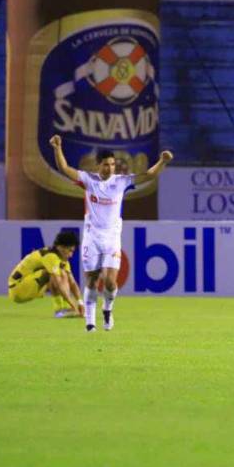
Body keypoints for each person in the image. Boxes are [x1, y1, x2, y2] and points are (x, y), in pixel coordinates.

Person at [50, 135, 173, 332]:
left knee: (109, 282)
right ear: (98, 165)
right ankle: (90, 323)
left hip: (112, 238)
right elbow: (64, 169)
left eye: (113, 164)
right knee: (92, 279)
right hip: (92, 237)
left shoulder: (122, 182)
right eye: (106, 164)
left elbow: (148, 175)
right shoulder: (88, 180)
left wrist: (163, 161)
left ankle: (107, 309)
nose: (110, 168)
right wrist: (57, 148)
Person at [8, 231, 85, 318]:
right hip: (18, 289)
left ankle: (63, 309)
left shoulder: (61, 259)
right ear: (60, 247)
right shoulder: (50, 257)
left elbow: (72, 282)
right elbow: (58, 282)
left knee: (62, 273)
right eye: (69, 250)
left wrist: (80, 302)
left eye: (73, 251)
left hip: (27, 286)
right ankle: (60, 310)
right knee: (55, 274)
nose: (71, 255)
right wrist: (73, 304)